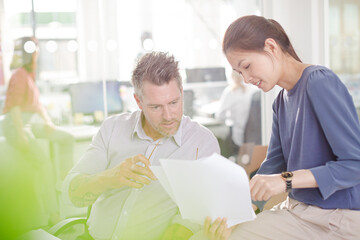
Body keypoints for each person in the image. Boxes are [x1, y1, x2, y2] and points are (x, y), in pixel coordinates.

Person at [202, 15, 360, 240]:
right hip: (297, 211)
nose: (246, 78)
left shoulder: (318, 81)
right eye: (239, 73)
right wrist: (239, 213)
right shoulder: (281, 102)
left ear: (271, 46)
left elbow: (355, 164)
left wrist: (286, 180)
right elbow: (273, 165)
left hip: (334, 218)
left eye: (246, 66)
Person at [63, 51, 220, 240]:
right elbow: (72, 192)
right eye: (156, 107)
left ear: (181, 92)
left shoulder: (201, 144)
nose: (169, 116)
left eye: (174, 102)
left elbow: (191, 219)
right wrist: (110, 177)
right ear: (138, 101)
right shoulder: (113, 128)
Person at [1, 37, 74, 237]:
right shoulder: (18, 75)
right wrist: (21, 132)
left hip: (31, 121)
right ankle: (53, 213)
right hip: (16, 124)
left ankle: (64, 178)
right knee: (44, 164)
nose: (36, 56)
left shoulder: (29, 76)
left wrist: (47, 121)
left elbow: (38, 105)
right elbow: (14, 106)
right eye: (33, 52)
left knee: (67, 138)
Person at [215, 70, 256, 157]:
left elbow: (220, 115)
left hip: (238, 138)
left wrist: (231, 117)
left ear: (232, 77)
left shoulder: (230, 92)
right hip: (253, 137)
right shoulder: (254, 90)